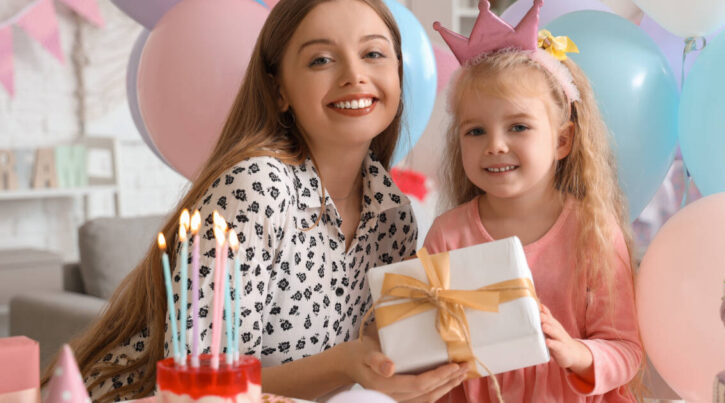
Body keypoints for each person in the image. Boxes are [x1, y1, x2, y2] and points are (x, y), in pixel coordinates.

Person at [45, 0, 468, 401]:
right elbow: (206, 386)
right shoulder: (256, 187)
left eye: (374, 54)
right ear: (279, 89)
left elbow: (383, 363)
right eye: (321, 59)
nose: (354, 75)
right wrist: (347, 366)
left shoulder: (394, 215)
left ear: (398, 72)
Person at [426, 1, 642, 401]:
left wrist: (576, 353)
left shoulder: (592, 232)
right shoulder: (447, 235)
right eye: (475, 131)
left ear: (562, 140)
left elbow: (626, 349)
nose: (495, 145)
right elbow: (428, 343)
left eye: (518, 126)